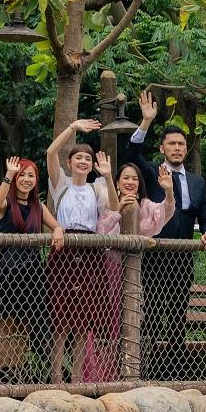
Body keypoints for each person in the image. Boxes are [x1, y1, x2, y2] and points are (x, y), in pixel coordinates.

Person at [125, 91, 206, 379]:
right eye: (172, 144)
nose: (177, 148)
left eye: (181, 144)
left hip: (183, 257)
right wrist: (146, 121)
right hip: (154, 255)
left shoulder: (197, 181)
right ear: (162, 148)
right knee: (152, 314)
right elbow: (130, 155)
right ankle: (144, 370)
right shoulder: (151, 173)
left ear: (186, 149)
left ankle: (176, 371)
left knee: (178, 316)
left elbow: (205, 215)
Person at [86, 163, 176, 381]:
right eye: (125, 178)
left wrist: (169, 192)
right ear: (117, 182)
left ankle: (126, 374)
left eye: (134, 178)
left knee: (128, 322)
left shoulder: (144, 205)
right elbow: (101, 232)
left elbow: (164, 213)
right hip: (107, 273)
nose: (130, 182)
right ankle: (97, 378)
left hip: (133, 275)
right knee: (102, 324)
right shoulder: (109, 205)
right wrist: (118, 211)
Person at [45, 119, 119, 383]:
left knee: (83, 320)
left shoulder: (96, 188)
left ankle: (76, 379)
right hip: (63, 251)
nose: (83, 161)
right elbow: (50, 152)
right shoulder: (61, 185)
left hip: (90, 253)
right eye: (78, 157)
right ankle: (56, 378)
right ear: (69, 163)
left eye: (88, 158)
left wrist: (108, 177)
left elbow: (114, 207)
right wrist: (72, 128)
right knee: (60, 319)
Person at [0, 156, 65, 383]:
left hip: (33, 274)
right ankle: (3, 375)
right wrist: (9, 174)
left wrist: (57, 230)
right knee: (8, 325)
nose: (26, 179)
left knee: (29, 325)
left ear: (36, 180)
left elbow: (56, 225)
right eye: (22, 175)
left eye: (30, 175)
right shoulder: (7, 204)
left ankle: (24, 375)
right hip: (9, 274)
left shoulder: (38, 207)